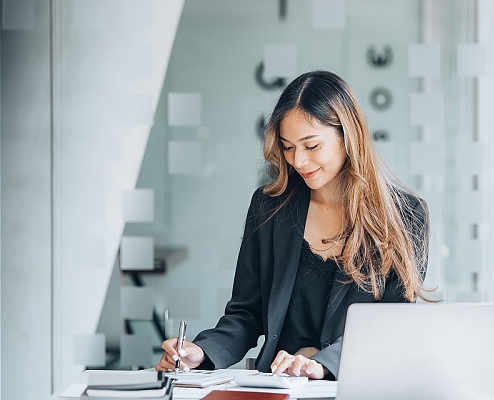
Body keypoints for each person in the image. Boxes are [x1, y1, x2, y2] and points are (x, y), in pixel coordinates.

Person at [155, 70, 430, 380]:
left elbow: (391, 325)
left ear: (347, 137)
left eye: (311, 146)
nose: (298, 161)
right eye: (288, 147)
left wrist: (322, 363)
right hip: (280, 387)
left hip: (355, 385)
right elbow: (246, 313)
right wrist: (202, 352)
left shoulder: (405, 216)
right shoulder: (269, 207)